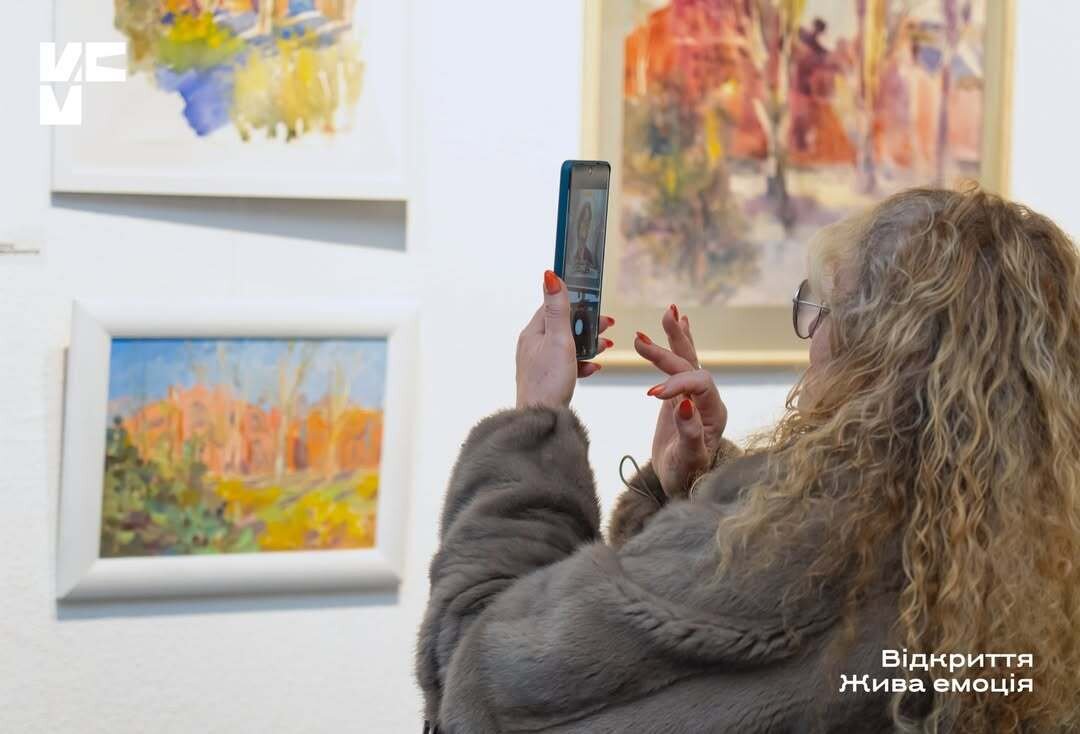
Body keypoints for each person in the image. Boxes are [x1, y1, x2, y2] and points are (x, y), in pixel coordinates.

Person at [416, 188, 1080, 733]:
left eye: (820, 311)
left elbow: (477, 681)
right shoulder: (1030, 564)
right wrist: (688, 492)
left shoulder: (791, 554)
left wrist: (535, 425)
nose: (811, 341)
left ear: (875, 351)